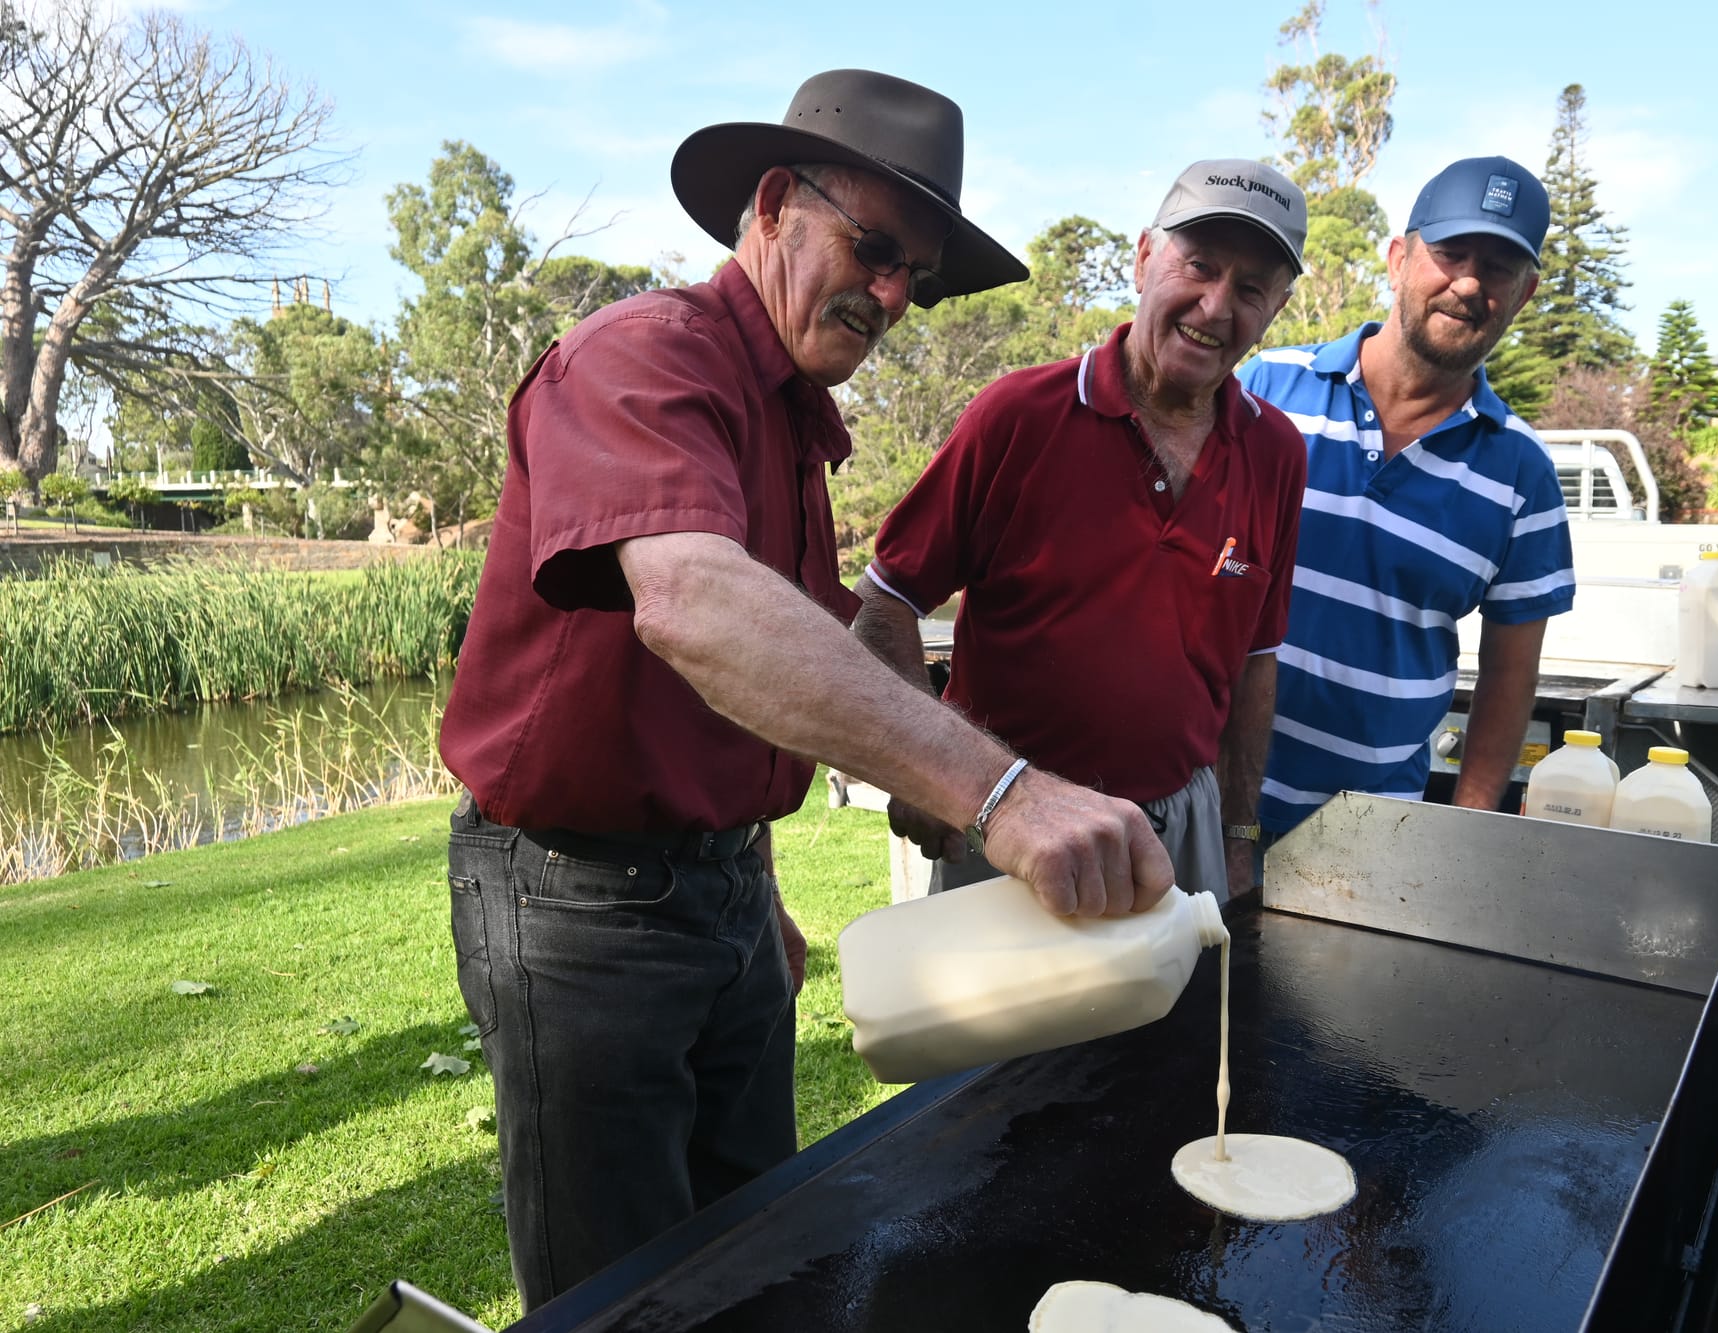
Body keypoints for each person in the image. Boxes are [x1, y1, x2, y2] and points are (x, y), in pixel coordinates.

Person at [437, 69, 1176, 1311]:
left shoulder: (794, 420)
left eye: (912, 276)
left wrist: (750, 877)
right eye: (874, 248)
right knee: (618, 1290)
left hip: (718, 888)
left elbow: (749, 681)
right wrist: (1003, 792)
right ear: (773, 204)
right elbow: (694, 606)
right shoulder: (638, 357)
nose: (891, 295)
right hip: (576, 903)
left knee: (756, 1250)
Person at [852, 159, 1310, 902]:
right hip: (1009, 821)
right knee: (995, 1022)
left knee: (1178, 1021)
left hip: (1181, 827)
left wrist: (1237, 835)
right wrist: (925, 764)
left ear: (1276, 310)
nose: (1216, 305)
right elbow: (885, 599)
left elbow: (1256, 664)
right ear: (1143, 258)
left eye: (1251, 288)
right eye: (1199, 265)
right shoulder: (1017, 417)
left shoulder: (1278, 454)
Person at [1236, 155, 1576, 843]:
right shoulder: (1264, 388)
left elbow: (1510, 683)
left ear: (1526, 292)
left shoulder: (1523, 475)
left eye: (1500, 267)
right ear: (1399, 258)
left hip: (1372, 840)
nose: (1471, 283)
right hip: (1206, 808)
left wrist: (1465, 836)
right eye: (1451, 252)